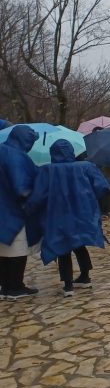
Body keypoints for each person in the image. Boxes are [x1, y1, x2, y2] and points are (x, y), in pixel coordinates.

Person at [24, 141, 109, 296]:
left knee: (62, 247)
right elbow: (103, 187)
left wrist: (29, 209)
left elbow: (37, 197)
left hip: (58, 216)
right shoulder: (86, 167)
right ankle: (85, 276)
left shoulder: (47, 171)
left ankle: (68, 285)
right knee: (79, 244)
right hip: (82, 213)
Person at [0, 125, 39, 299]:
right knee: (18, 248)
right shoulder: (17, 156)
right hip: (13, 209)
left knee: (2, 248)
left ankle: (5, 285)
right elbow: (21, 187)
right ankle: (15, 286)